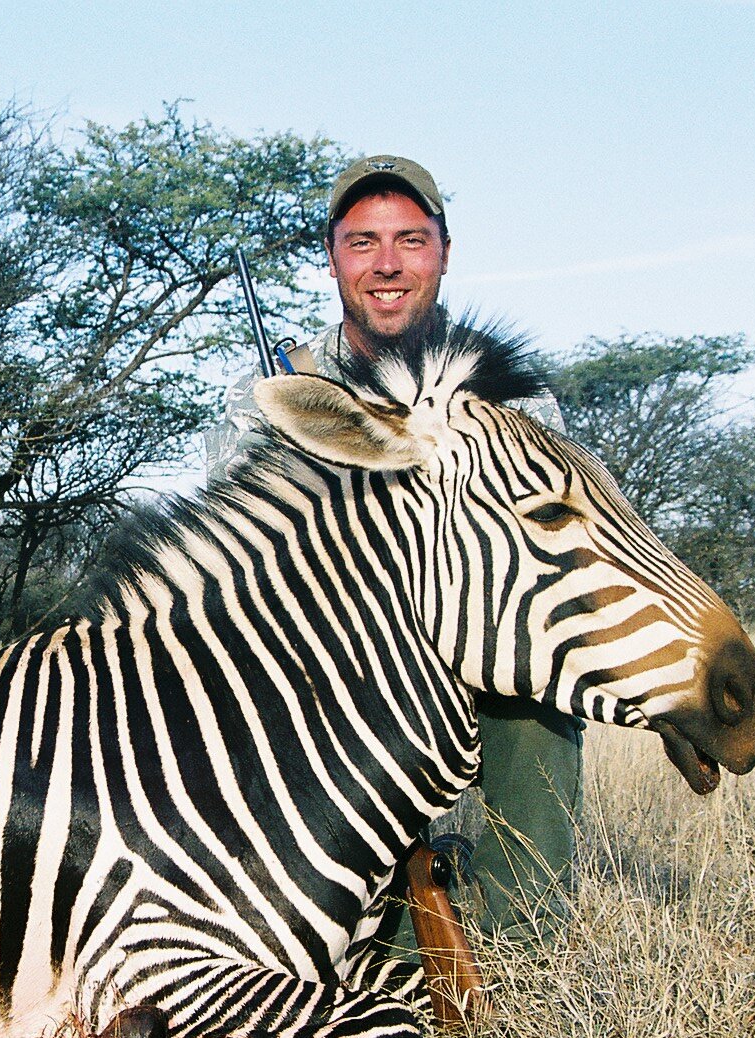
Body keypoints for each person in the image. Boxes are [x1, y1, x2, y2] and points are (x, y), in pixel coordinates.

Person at [214, 154, 584, 951]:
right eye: (363, 242)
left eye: (411, 240)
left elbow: (553, 552)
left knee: (536, 677)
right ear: (333, 256)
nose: (387, 265)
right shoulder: (275, 391)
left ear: (444, 252)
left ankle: (520, 926)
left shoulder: (511, 390)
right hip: (322, 664)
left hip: (466, 644)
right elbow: (228, 569)